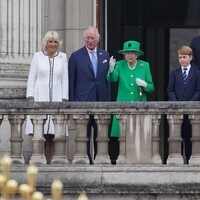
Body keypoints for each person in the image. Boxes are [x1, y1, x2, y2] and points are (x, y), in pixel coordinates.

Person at [68, 26, 110, 164]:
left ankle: (99, 160)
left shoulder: (105, 55)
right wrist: (73, 106)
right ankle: (85, 160)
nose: (90, 41)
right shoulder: (75, 56)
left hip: (101, 102)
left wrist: (108, 103)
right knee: (83, 136)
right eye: (88, 38)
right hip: (83, 102)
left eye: (93, 38)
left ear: (98, 39)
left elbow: (107, 81)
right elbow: (71, 82)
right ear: (84, 39)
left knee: (101, 135)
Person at [25, 31, 69, 164]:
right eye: (50, 41)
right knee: (40, 132)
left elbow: (64, 80)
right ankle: (39, 161)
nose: (53, 44)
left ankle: (53, 161)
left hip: (56, 97)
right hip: (40, 96)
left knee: (54, 132)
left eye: (55, 42)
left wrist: (64, 98)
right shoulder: (37, 57)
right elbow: (32, 77)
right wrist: (30, 96)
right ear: (46, 43)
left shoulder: (62, 57)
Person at [107, 40, 155, 139]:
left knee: (139, 137)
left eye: (133, 53)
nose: (130, 55)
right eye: (127, 53)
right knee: (123, 137)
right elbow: (112, 79)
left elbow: (151, 87)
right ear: (124, 54)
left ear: (137, 54)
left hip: (139, 106)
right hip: (123, 106)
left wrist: (144, 84)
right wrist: (111, 69)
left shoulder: (144, 66)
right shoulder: (119, 65)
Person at [167, 45, 200, 164]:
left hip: (191, 112)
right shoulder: (174, 73)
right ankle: (179, 160)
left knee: (190, 137)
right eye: (180, 57)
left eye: (184, 57)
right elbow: (170, 89)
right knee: (177, 137)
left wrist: (189, 103)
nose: (182, 60)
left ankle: (190, 160)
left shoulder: (197, 73)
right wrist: (176, 103)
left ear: (190, 57)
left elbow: (198, 90)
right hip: (177, 112)